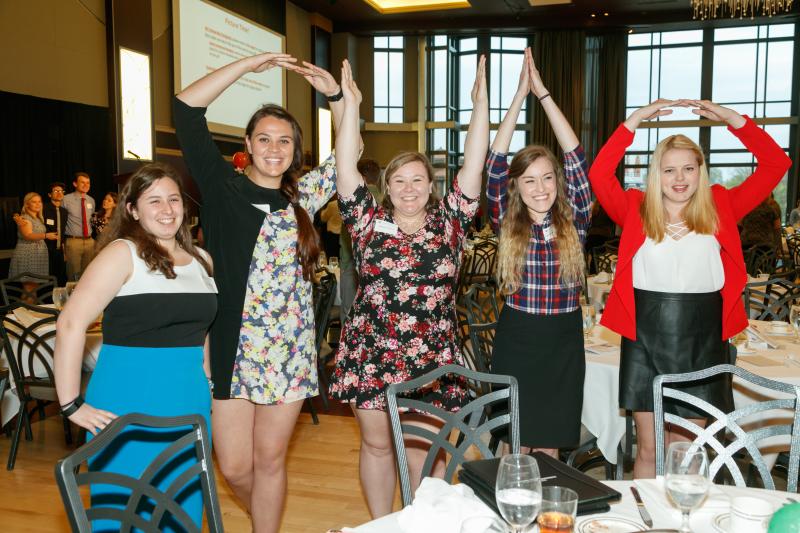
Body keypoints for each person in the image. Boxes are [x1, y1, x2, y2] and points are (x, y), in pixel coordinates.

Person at [174, 52, 344, 533]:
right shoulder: (220, 187)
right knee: (234, 467)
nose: (274, 148)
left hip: (288, 351)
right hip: (230, 345)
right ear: (247, 144)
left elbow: (347, 155)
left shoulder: (303, 198)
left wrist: (334, 96)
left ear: (295, 149)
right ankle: (264, 519)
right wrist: (246, 66)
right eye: (264, 139)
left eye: (284, 141)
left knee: (270, 463)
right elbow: (185, 109)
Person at [589, 98, 792, 478]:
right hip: (645, 336)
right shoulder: (636, 208)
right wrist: (632, 121)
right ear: (656, 174)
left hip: (702, 336)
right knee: (649, 450)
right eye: (669, 170)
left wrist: (734, 120)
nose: (679, 179)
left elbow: (777, 164)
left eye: (688, 168)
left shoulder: (721, 206)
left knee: (687, 450)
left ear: (701, 171)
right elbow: (600, 174)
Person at [330, 57, 487, 518]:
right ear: (386, 188)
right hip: (373, 350)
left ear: (433, 184)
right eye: (399, 180)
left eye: (418, 178)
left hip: (432, 353)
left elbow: (474, 165)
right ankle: (382, 526)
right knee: (377, 447)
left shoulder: (450, 223)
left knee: (430, 451)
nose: (409, 187)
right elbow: (344, 166)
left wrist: (480, 107)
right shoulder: (366, 222)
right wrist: (350, 107)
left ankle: (422, 525)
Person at [53, 163, 218, 531]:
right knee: (123, 514)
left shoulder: (203, 262)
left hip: (188, 406)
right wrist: (69, 403)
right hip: (126, 408)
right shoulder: (122, 254)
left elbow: (203, 330)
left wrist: (207, 382)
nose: (167, 209)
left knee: (183, 512)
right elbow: (69, 324)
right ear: (132, 210)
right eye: (154, 200)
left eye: (173, 199)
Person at [486, 48, 590, 458]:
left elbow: (577, 159)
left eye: (547, 178)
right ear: (516, 187)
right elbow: (495, 162)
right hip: (519, 337)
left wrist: (544, 95)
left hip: (565, 339)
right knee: (518, 441)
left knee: (552, 439)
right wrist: (517, 98)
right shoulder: (505, 220)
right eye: (529, 180)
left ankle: (548, 518)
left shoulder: (575, 220)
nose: (541, 188)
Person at [339, 158, 381, 321]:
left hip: (350, 266)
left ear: (361, 177)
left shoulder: (351, 204)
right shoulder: (388, 202)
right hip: (377, 271)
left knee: (349, 312)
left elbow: (345, 238)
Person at [10, 193, 56, 299]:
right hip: (28, 254)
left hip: (37, 255)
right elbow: (28, 235)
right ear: (26, 204)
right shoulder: (25, 219)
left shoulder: (38, 218)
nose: (37, 204)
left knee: (33, 288)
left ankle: (29, 313)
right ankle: (22, 313)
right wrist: (46, 235)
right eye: (34, 202)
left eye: (39, 201)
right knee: (29, 288)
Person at [62, 171, 96, 280]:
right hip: (73, 242)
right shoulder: (65, 199)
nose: (86, 185)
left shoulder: (91, 200)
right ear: (75, 184)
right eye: (82, 182)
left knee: (88, 274)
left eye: (88, 183)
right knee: (73, 274)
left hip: (90, 242)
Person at [43, 182, 68, 285]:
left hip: (59, 251)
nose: (60, 193)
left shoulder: (64, 211)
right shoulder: (43, 209)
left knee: (61, 278)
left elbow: (63, 232)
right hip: (46, 250)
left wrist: (64, 252)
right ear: (49, 194)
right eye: (56, 191)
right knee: (48, 279)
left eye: (62, 191)